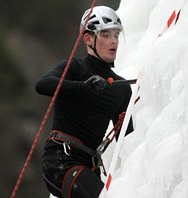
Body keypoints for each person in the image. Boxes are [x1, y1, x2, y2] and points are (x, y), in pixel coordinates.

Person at [35, 6, 133, 198]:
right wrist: (84, 87)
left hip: (89, 167)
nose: (113, 41)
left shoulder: (121, 88)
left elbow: (127, 141)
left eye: (116, 35)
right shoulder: (75, 68)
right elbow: (42, 84)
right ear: (88, 39)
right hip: (60, 160)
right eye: (105, 35)